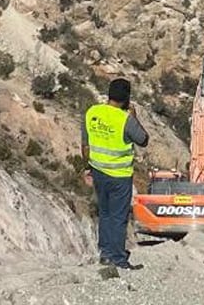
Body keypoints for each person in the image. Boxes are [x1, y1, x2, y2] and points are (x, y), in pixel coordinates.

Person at [82, 78, 149, 270]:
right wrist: (134, 117)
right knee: (119, 216)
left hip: (98, 171)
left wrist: (88, 167)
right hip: (119, 175)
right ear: (127, 98)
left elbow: (85, 144)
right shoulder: (125, 119)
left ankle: (105, 253)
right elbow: (143, 140)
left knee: (105, 213)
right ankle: (118, 258)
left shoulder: (92, 112)